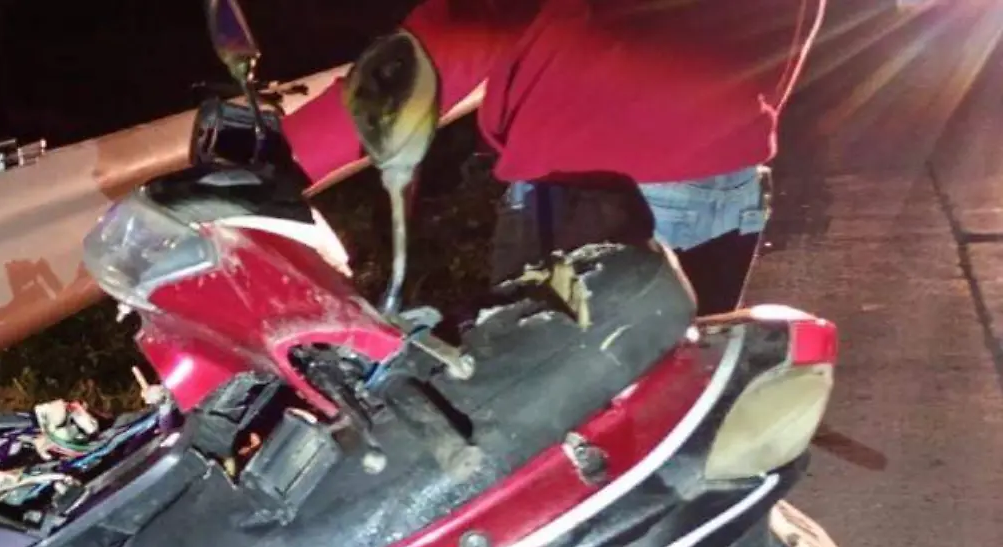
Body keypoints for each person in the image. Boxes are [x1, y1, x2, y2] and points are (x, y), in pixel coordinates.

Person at [281, 0, 828, 315]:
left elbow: (457, 35)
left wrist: (274, 158)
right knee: (671, 419)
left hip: (595, 191)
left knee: (566, 434)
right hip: (720, 178)